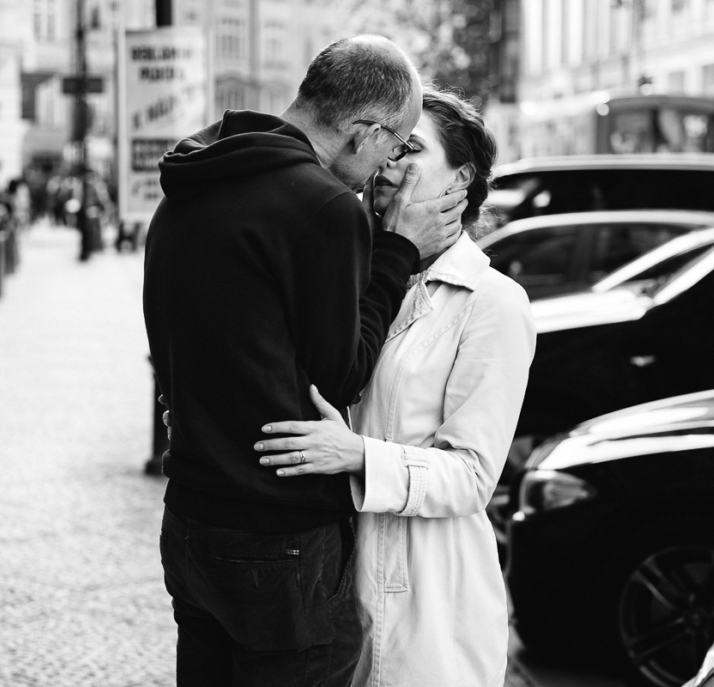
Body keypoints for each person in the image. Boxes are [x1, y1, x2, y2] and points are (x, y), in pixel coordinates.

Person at [143, 37, 468, 687]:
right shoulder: (321, 206)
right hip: (280, 537)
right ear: (362, 133)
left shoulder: (190, 181)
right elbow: (342, 375)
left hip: (192, 521)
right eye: (395, 145)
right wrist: (399, 249)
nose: (388, 165)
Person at [254, 88, 537, 687]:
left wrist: (356, 455)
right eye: (384, 144)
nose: (385, 162)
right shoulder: (354, 276)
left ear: (462, 176)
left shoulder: (493, 304)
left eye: (408, 148)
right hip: (326, 576)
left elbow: (472, 477)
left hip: (432, 593)